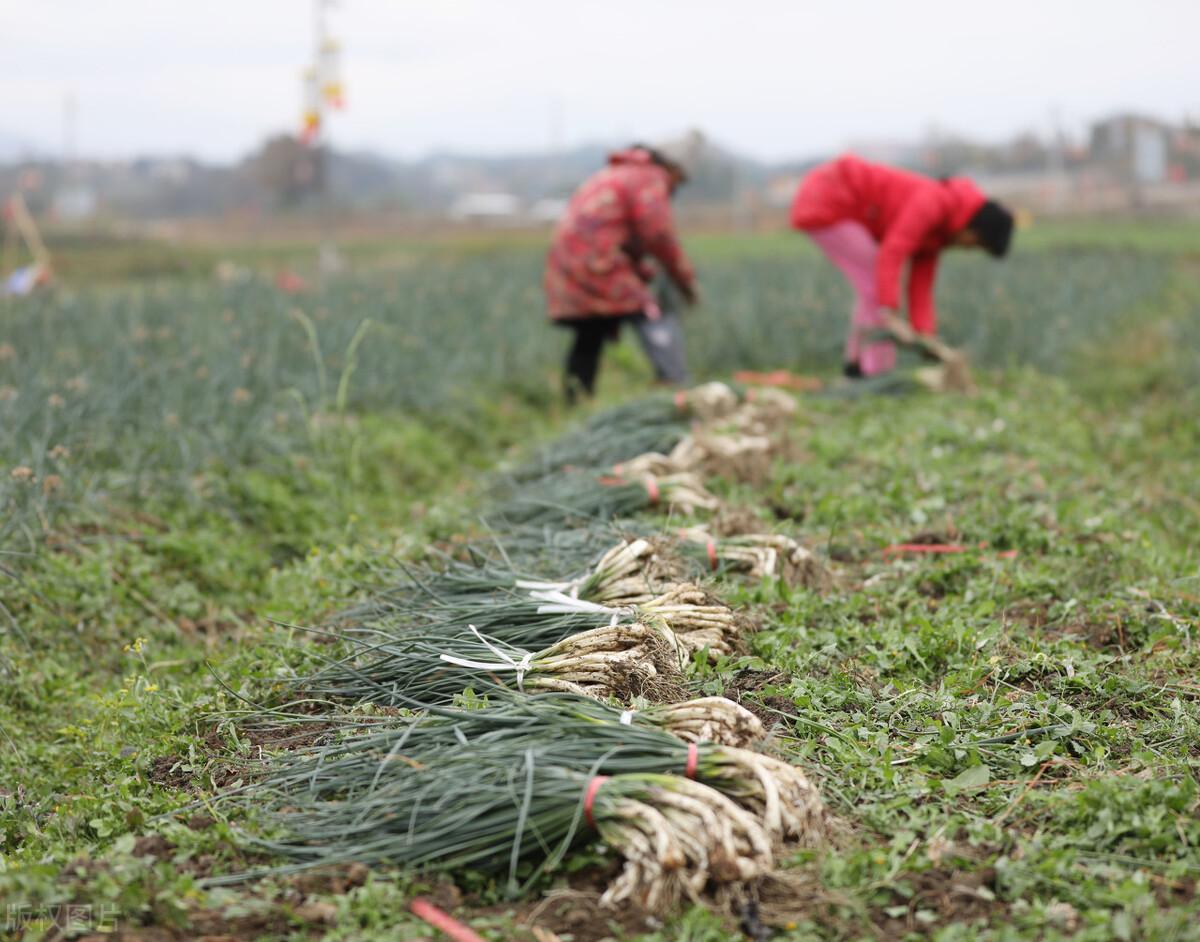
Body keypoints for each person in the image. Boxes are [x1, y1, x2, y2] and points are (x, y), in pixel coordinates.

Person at [790, 154, 1014, 378]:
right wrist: (890, 313)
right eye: (976, 244)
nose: (968, 249)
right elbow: (892, 251)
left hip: (839, 202)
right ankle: (876, 373)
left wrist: (926, 337)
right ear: (974, 230)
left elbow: (920, 288)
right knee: (876, 285)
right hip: (830, 196)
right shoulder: (935, 202)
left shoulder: (939, 234)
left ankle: (856, 366)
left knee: (873, 287)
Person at [544, 139, 700, 403]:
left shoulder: (619, 172)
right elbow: (658, 234)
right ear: (672, 168)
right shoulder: (650, 177)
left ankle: (575, 402)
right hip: (599, 261)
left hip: (568, 261)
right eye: (679, 180)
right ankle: (676, 388)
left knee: (590, 329)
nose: (676, 186)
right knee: (651, 313)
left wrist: (640, 267)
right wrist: (684, 279)